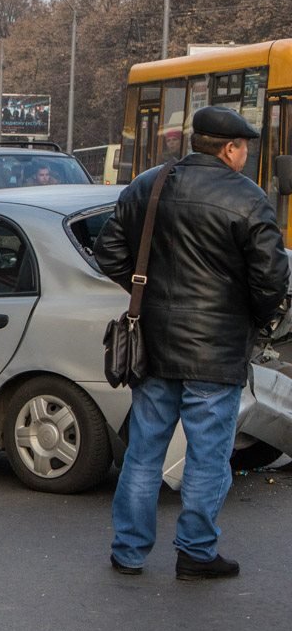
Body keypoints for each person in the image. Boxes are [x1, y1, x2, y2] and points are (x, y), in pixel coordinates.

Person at [93, 105, 289, 581]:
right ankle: (196, 553)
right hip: (217, 352)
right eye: (244, 147)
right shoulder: (248, 198)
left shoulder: (149, 184)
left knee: (143, 453)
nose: (245, 155)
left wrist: (146, 290)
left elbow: (109, 251)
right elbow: (271, 278)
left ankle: (129, 552)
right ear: (229, 148)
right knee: (207, 455)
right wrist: (257, 322)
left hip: (154, 344)